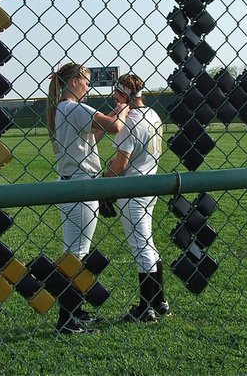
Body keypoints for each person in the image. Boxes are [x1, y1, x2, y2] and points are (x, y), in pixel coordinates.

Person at [46, 62, 127, 334]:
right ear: (74, 82)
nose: (88, 86)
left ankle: (75, 310)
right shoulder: (75, 107)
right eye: (86, 81)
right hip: (81, 187)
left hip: (72, 184)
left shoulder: (63, 109)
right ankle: (67, 319)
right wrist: (124, 106)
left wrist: (114, 115)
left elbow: (97, 132)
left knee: (76, 250)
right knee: (77, 254)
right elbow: (115, 128)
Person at [104, 73, 169, 322]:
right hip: (150, 184)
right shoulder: (153, 114)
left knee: (141, 248)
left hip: (132, 189)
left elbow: (122, 161)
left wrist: (105, 186)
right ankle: (159, 301)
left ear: (122, 94)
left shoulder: (130, 119)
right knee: (148, 244)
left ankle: (146, 308)